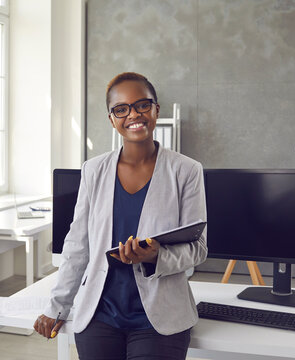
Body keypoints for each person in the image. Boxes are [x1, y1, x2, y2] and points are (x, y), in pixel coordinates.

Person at [34, 72, 207, 359]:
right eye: (121, 108)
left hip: (160, 318)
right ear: (112, 118)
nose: (134, 115)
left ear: (156, 109)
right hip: (101, 313)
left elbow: (198, 249)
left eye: (142, 105)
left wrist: (155, 256)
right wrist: (57, 306)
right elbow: (78, 246)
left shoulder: (186, 171)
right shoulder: (93, 170)